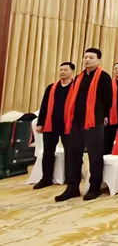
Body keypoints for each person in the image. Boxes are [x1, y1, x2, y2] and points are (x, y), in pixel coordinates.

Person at [55, 48, 112, 202]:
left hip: (94, 121)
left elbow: (108, 100)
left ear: (98, 60)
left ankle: (95, 187)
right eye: (85, 57)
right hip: (77, 121)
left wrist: (101, 115)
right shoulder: (79, 77)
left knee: (95, 156)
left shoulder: (104, 77)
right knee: (73, 155)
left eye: (91, 58)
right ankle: (72, 187)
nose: (87, 60)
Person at [33, 61, 74, 189]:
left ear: (72, 72)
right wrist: (40, 123)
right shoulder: (51, 87)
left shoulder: (76, 87)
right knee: (48, 152)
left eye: (65, 70)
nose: (62, 72)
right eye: (61, 70)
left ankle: (70, 178)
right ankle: (46, 179)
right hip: (51, 124)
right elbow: (44, 105)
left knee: (70, 152)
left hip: (69, 125)